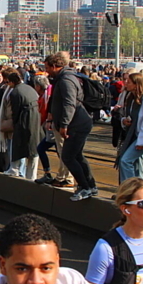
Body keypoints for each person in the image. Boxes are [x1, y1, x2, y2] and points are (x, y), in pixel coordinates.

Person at [44, 52, 97, 201]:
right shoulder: (64, 78)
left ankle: (85, 187)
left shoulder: (66, 80)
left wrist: (64, 124)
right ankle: (90, 185)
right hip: (79, 122)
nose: (46, 70)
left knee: (68, 156)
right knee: (77, 155)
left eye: (47, 67)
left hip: (76, 123)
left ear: (55, 66)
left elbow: (69, 103)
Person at [7, 71, 43, 180]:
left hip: (24, 119)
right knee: (34, 148)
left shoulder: (15, 92)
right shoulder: (29, 88)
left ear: (12, 82)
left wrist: (14, 123)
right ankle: (31, 175)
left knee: (18, 145)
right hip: (36, 117)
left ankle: (14, 169)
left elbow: (15, 111)